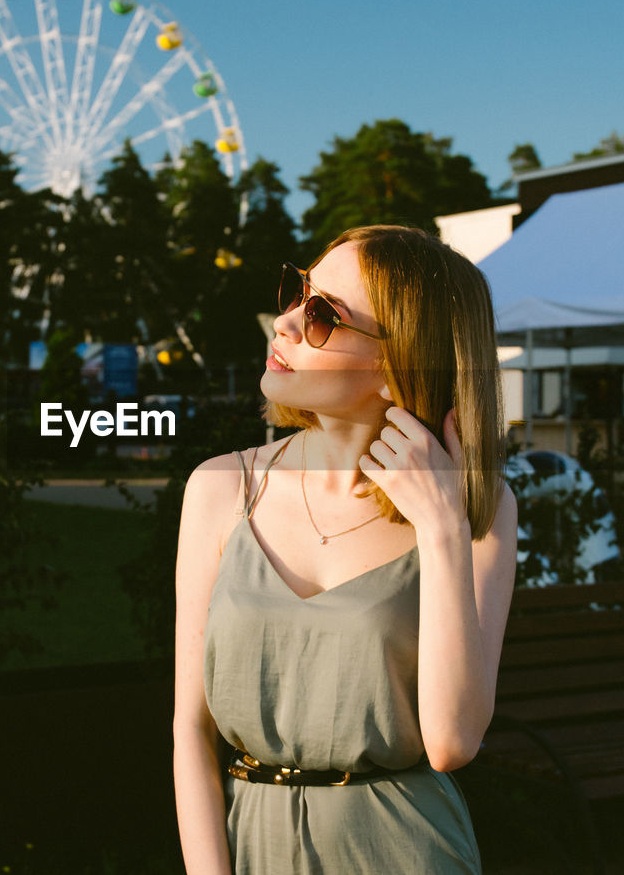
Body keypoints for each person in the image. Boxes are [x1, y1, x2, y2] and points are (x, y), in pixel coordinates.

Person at [173, 226, 518, 873]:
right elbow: (190, 730)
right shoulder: (221, 488)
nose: (285, 323)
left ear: (400, 363)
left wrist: (442, 530)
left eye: (324, 315)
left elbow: (451, 741)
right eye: (300, 293)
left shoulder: (481, 507)